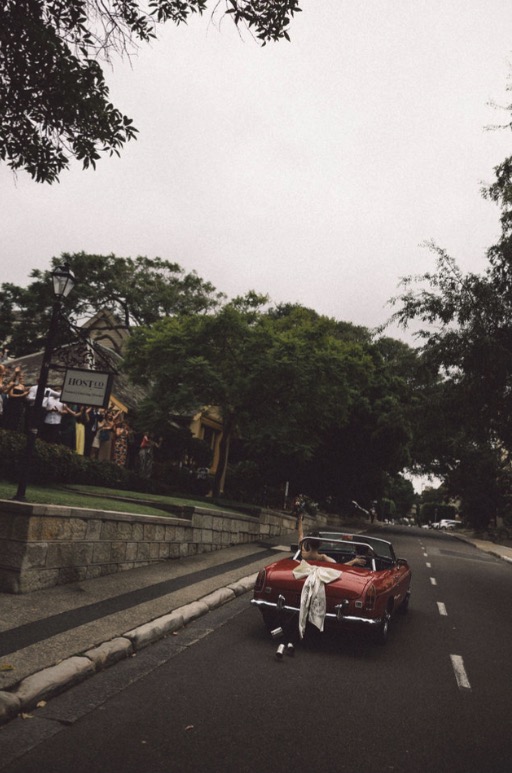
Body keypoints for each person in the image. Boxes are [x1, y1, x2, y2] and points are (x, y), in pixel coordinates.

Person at [297, 514, 367, 566]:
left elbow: (300, 534)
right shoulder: (323, 557)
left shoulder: (303, 553)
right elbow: (339, 567)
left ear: (308, 543)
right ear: (320, 544)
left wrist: (300, 519)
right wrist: (354, 561)